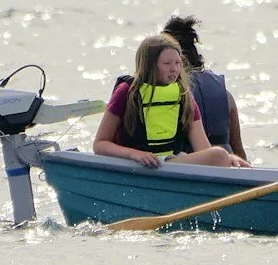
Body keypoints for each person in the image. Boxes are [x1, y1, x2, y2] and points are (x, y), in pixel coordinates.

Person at [93, 34, 245, 169]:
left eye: (178, 63)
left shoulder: (183, 95)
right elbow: (99, 144)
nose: (174, 69)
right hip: (136, 163)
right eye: (167, 64)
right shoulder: (126, 92)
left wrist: (227, 159)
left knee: (219, 155)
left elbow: (203, 149)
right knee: (219, 155)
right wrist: (134, 154)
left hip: (168, 162)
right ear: (150, 65)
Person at [160, 14, 246, 163]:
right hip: (228, 167)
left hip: (189, 167)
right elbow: (239, 153)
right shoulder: (226, 96)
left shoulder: (169, 92)